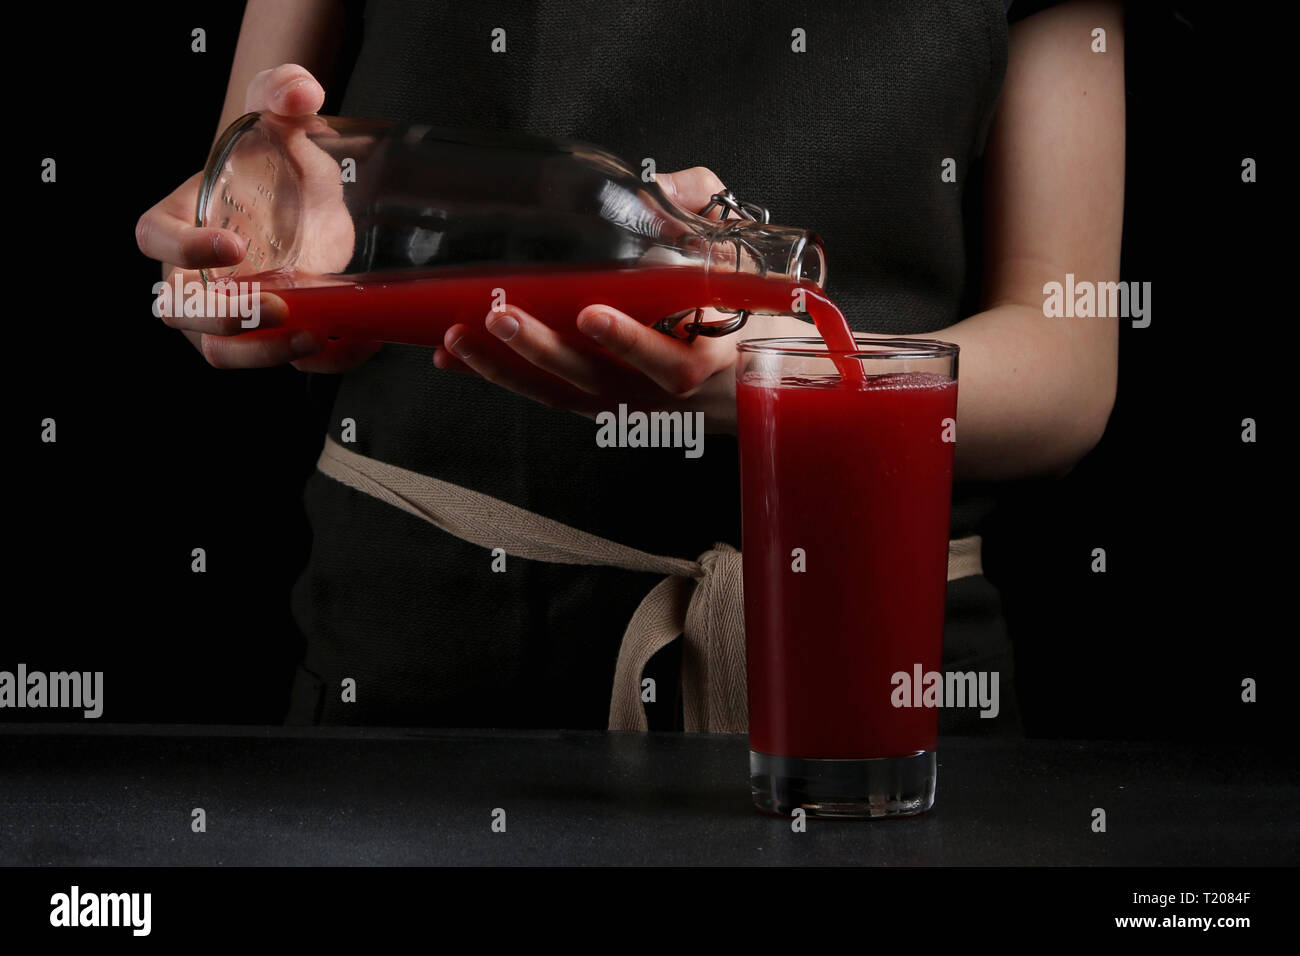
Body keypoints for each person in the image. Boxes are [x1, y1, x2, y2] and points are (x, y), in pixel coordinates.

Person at [136, 0, 1123, 731]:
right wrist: (244, 278)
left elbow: (1066, 369)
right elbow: (253, 192)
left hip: (857, 685)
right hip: (416, 688)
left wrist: (750, 372)